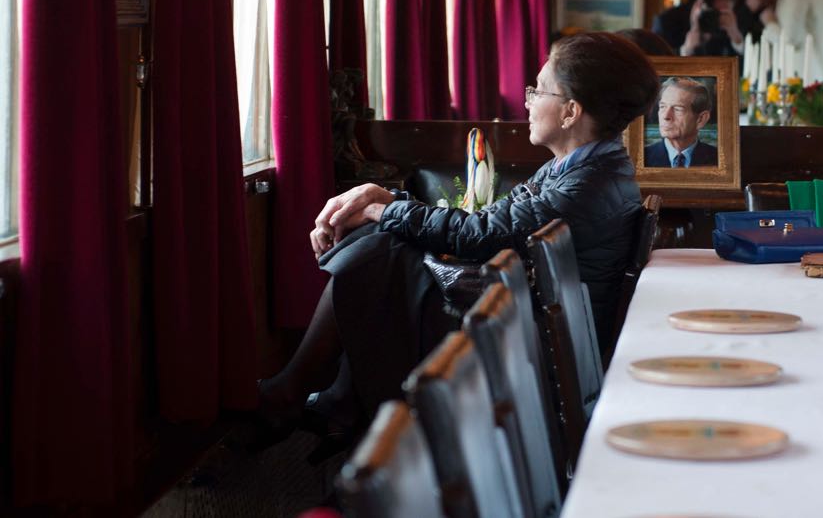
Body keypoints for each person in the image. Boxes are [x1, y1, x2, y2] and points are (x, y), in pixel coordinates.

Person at [256, 32, 660, 436]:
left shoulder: (585, 185)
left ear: (571, 111)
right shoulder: (584, 168)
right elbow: (495, 223)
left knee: (382, 257)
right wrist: (388, 203)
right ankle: (332, 401)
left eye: (538, 90)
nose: (528, 101)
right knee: (385, 249)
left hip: (536, 335)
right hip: (531, 309)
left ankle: (313, 397)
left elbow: (480, 234)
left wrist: (385, 209)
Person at [644, 77, 718, 168]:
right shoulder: (642, 158)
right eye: (662, 107)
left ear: (701, 119)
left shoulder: (719, 160)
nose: (666, 116)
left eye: (677, 109)